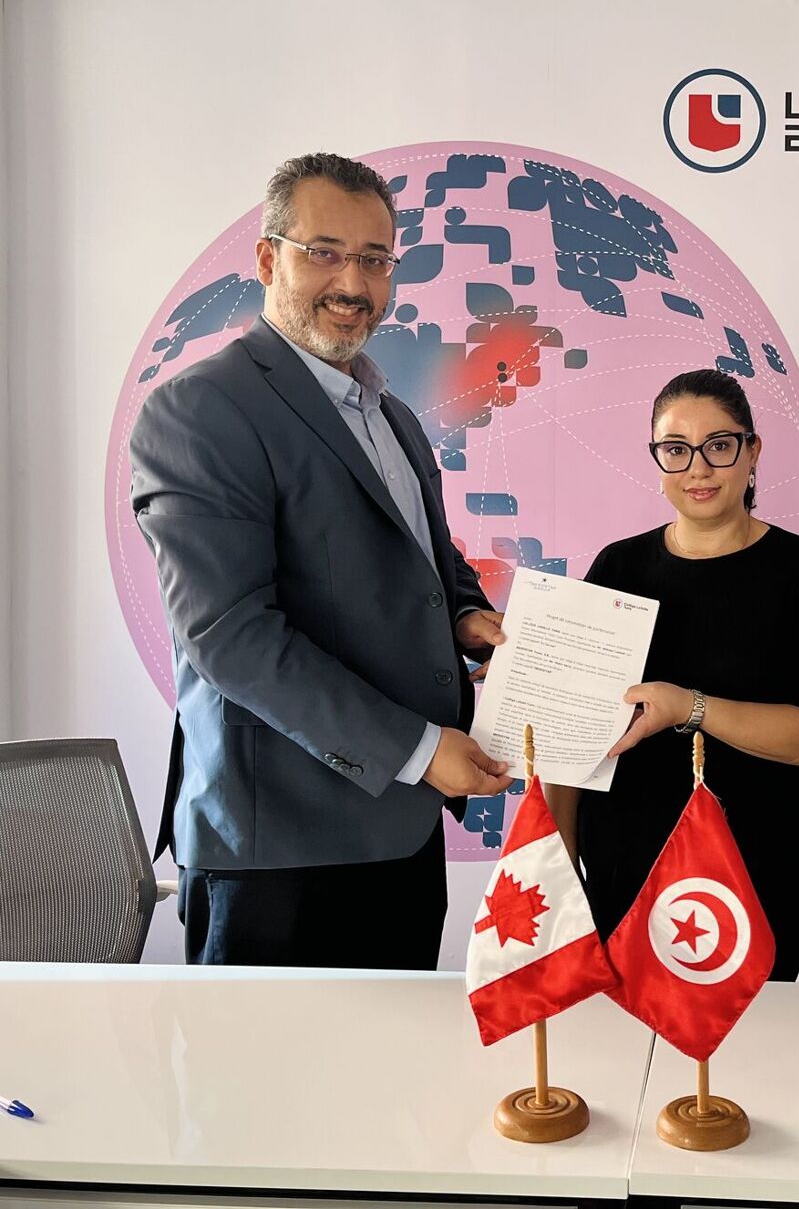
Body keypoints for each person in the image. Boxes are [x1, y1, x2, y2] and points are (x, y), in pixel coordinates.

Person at [130, 152, 513, 969]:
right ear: (268, 258)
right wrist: (416, 749)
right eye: (325, 251)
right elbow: (229, 633)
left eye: (375, 260)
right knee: (262, 1096)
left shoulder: (391, 414)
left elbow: (424, 557)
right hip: (280, 854)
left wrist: (467, 614)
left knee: (393, 1093)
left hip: (398, 831)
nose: (354, 282)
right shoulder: (202, 410)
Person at [547, 370, 799, 979]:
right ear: (657, 459)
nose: (699, 468)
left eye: (720, 445)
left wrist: (690, 706)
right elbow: (575, 738)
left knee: (754, 1059)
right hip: (627, 865)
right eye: (676, 450)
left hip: (762, 867)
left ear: (752, 451)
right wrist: (558, 868)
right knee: (629, 1060)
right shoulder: (618, 566)